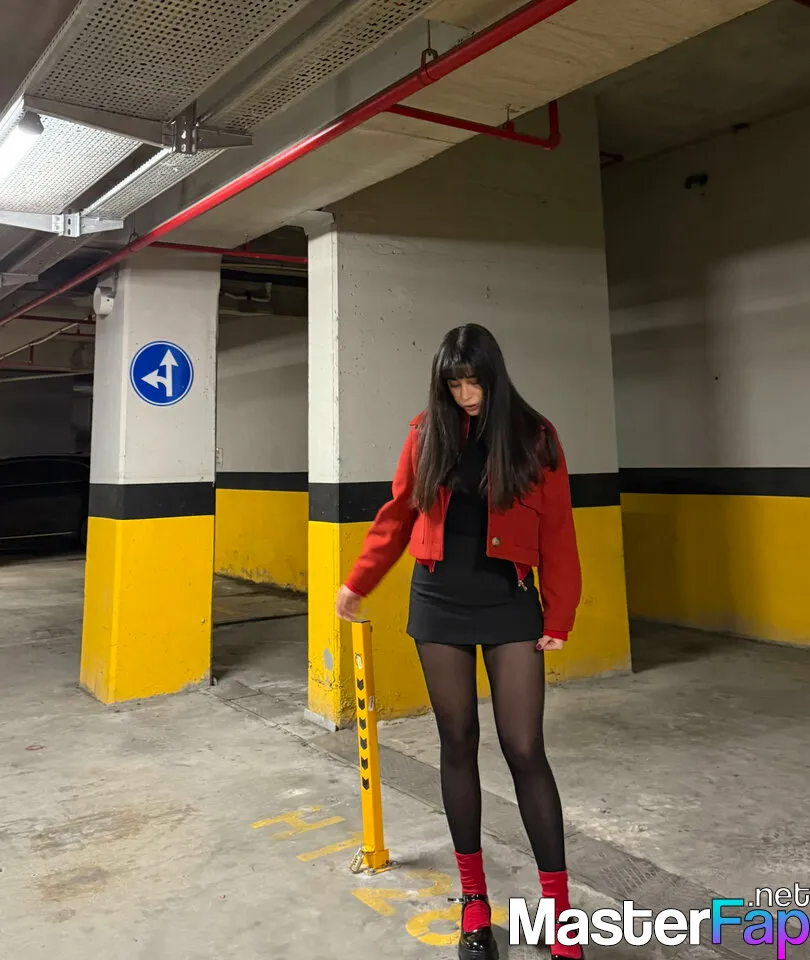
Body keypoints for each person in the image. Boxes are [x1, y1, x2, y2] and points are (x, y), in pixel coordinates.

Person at [335, 323, 584, 960]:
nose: (466, 395)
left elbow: (558, 530)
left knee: (525, 748)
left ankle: (559, 914)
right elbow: (397, 515)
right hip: (439, 602)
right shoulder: (427, 433)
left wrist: (558, 615)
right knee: (457, 743)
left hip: (508, 601)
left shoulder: (535, 436)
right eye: (455, 385)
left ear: (494, 377)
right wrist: (359, 581)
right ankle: (475, 903)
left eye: (475, 383)